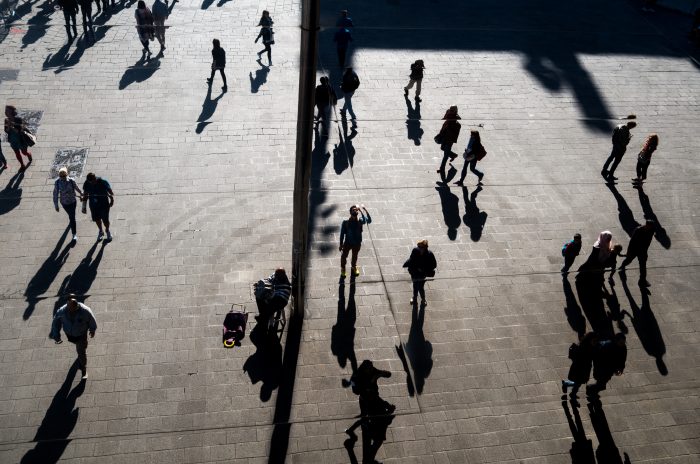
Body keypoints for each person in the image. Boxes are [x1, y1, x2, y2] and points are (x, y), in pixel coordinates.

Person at [50, 294, 97, 380]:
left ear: (77, 306)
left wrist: (92, 330)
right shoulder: (62, 311)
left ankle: (83, 369)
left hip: (81, 335)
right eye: (69, 308)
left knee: (81, 352)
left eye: (73, 309)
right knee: (79, 348)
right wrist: (56, 335)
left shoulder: (85, 311)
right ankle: (81, 350)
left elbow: (91, 320)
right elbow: (56, 323)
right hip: (70, 335)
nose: (71, 311)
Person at [619, 220, 655, 287]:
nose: (649, 228)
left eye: (650, 227)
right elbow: (632, 242)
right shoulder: (638, 230)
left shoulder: (651, 230)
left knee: (643, 266)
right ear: (646, 224)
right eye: (648, 226)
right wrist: (629, 251)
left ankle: (642, 281)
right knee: (628, 260)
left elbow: (649, 240)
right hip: (634, 249)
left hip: (643, 251)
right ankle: (623, 265)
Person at [562, 332, 597, 400]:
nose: (595, 342)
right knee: (578, 382)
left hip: (584, 368)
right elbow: (582, 358)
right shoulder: (584, 347)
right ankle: (571, 391)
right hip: (579, 368)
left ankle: (569, 388)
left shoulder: (591, 346)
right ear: (590, 340)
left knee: (578, 382)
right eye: (594, 340)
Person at [339, 204, 371, 278]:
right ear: (350, 212)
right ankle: (343, 268)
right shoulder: (345, 223)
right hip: (347, 243)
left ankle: (354, 266)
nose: (355, 210)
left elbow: (369, 220)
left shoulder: (360, 221)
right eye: (353, 210)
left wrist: (364, 210)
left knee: (355, 256)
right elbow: (342, 234)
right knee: (344, 256)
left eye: (356, 210)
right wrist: (341, 244)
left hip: (357, 243)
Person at [403, 240, 437, 306]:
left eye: (421, 248)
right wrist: (407, 265)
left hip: (422, 274)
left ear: (425, 248)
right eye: (419, 247)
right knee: (415, 286)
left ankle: (423, 299)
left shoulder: (429, 254)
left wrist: (423, 269)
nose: (420, 249)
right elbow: (411, 259)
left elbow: (434, 265)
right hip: (414, 273)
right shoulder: (415, 251)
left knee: (420, 287)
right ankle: (414, 298)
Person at [82, 172, 114, 241]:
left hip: (104, 205)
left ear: (95, 178)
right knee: (97, 219)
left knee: (105, 220)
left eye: (92, 181)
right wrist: (83, 207)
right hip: (93, 206)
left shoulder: (103, 182)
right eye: (90, 182)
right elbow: (85, 195)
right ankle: (101, 231)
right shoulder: (87, 183)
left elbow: (111, 192)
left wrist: (112, 200)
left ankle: (107, 231)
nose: (91, 183)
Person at [53, 167, 83, 242]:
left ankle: (74, 233)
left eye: (64, 176)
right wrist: (56, 205)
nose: (62, 177)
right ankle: (73, 229)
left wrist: (81, 193)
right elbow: (55, 194)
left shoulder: (71, 181)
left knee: (72, 217)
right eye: (61, 176)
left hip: (72, 201)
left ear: (67, 174)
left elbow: (76, 188)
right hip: (64, 203)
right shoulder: (57, 182)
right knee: (71, 216)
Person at [4, 105, 32, 170]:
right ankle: (22, 165)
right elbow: (6, 131)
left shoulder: (18, 119)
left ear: (11, 112)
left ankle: (28, 154)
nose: (5, 112)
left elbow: (19, 131)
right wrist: (8, 126)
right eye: (5, 111)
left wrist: (11, 126)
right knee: (17, 153)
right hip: (12, 139)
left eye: (7, 111)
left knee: (24, 152)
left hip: (21, 139)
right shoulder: (6, 120)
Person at [435, 106, 461, 176]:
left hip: (449, 141)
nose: (450, 111)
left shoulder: (456, 124)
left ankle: (442, 168)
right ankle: (453, 155)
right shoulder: (448, 119)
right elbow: (443, 125)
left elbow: (454, 134)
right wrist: (440, 134)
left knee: (445, 156)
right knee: (442, 148)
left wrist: (448, 129)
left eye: (451, 110)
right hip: (444, 138)